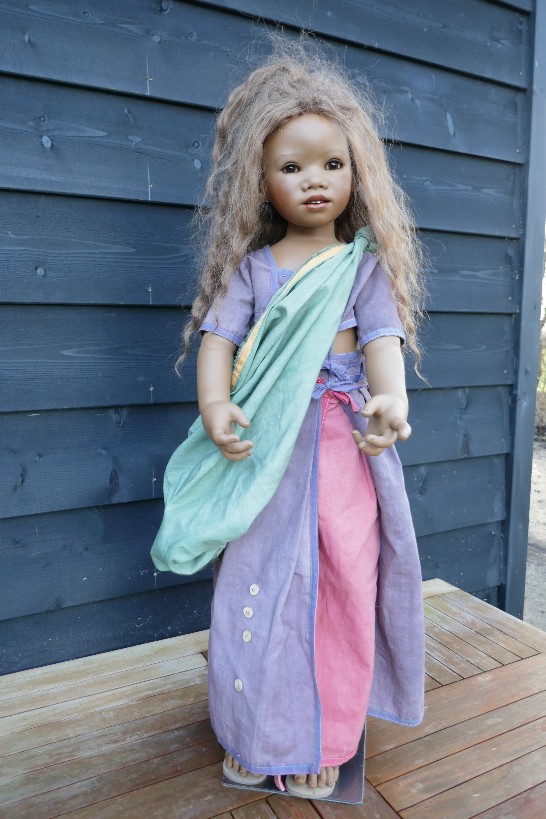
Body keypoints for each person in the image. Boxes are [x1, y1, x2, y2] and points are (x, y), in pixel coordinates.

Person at [152, 42, 426, 801]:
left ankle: (323, 738)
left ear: (357, 172)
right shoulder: (252, 270)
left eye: (332, 164)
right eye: (292, 166)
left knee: (340, 583)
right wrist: (216, 406)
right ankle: (253, 732)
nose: (315, 179)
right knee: (257, 584)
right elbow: (218, 341)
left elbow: (382, 340)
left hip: (343, 450)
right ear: (261, 180)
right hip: (266, 452)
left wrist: (391, 399)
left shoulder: (361, 266)